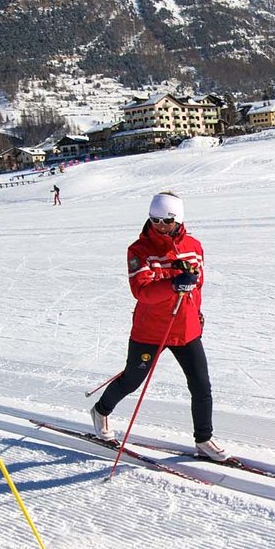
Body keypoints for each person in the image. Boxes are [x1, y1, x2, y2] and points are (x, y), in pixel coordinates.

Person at [89, 192, 227, 461]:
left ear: (179, 219)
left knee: (201, 385)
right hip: (150, 331)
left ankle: (204, 439)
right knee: (132, 380)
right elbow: (142, 291)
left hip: (186, 329)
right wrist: (173, 283)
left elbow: (197, 286)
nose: (160, 226)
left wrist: (196, 312)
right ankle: (101, 411)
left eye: (167, 220)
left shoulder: (194, 246)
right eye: (155, 220)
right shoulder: (139, 251)